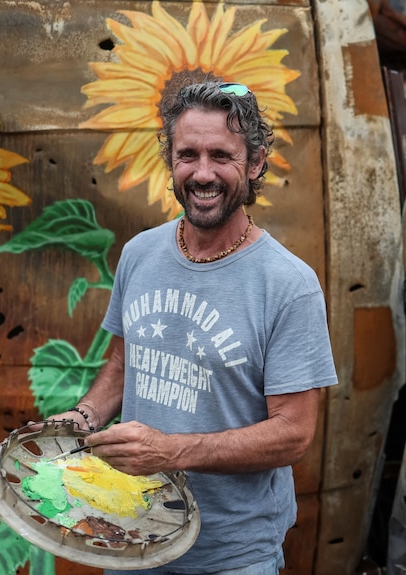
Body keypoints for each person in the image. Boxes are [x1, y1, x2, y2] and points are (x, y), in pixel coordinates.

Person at [47, 81, 338, 575]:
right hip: (133, 534)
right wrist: (85, 415)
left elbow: (294, 434)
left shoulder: (289, 285)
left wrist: (168, 450)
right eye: (188, 154)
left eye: (221, 155)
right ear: (171, 160)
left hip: (231, 554)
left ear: (256, 163)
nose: (203, 173)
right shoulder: (140, 253)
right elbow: (122, 362)